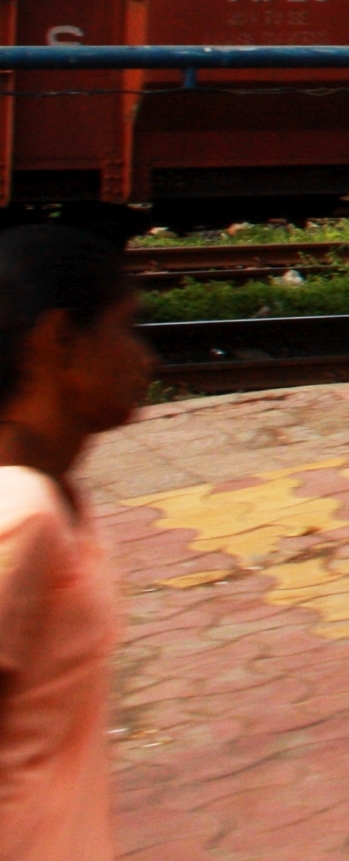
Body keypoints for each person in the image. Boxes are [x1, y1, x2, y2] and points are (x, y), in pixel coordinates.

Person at [0, 226, 151, 860]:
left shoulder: (59, 499)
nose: (146, 358)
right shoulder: (22, 514)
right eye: (124, 329)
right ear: (60, 343)